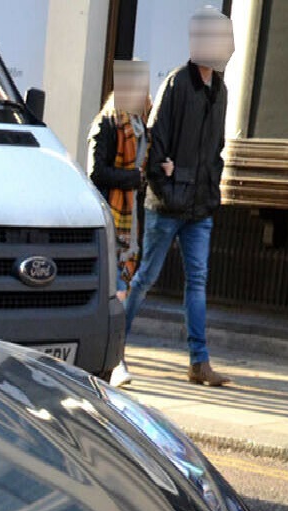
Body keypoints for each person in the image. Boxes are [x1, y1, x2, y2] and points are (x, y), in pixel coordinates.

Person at [122, 7, 234, 389]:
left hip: (200, 206)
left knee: (197, 281)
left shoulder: (220, 91)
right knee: (145, 278)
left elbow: (216, 149)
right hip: (167, 204)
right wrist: (167, 189)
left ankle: (199, 363)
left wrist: (211, 189)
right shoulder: (176, 83)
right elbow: (156, 145)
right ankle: (112, 349)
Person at [88, 60, 150, 388]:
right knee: (117, 289)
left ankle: (113, 358)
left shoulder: (139, 127)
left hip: (130, 220)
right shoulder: (108, 123)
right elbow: (95, 172)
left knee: (122, 286)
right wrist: (133, 178)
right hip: (110, 215)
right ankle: (116, 360)